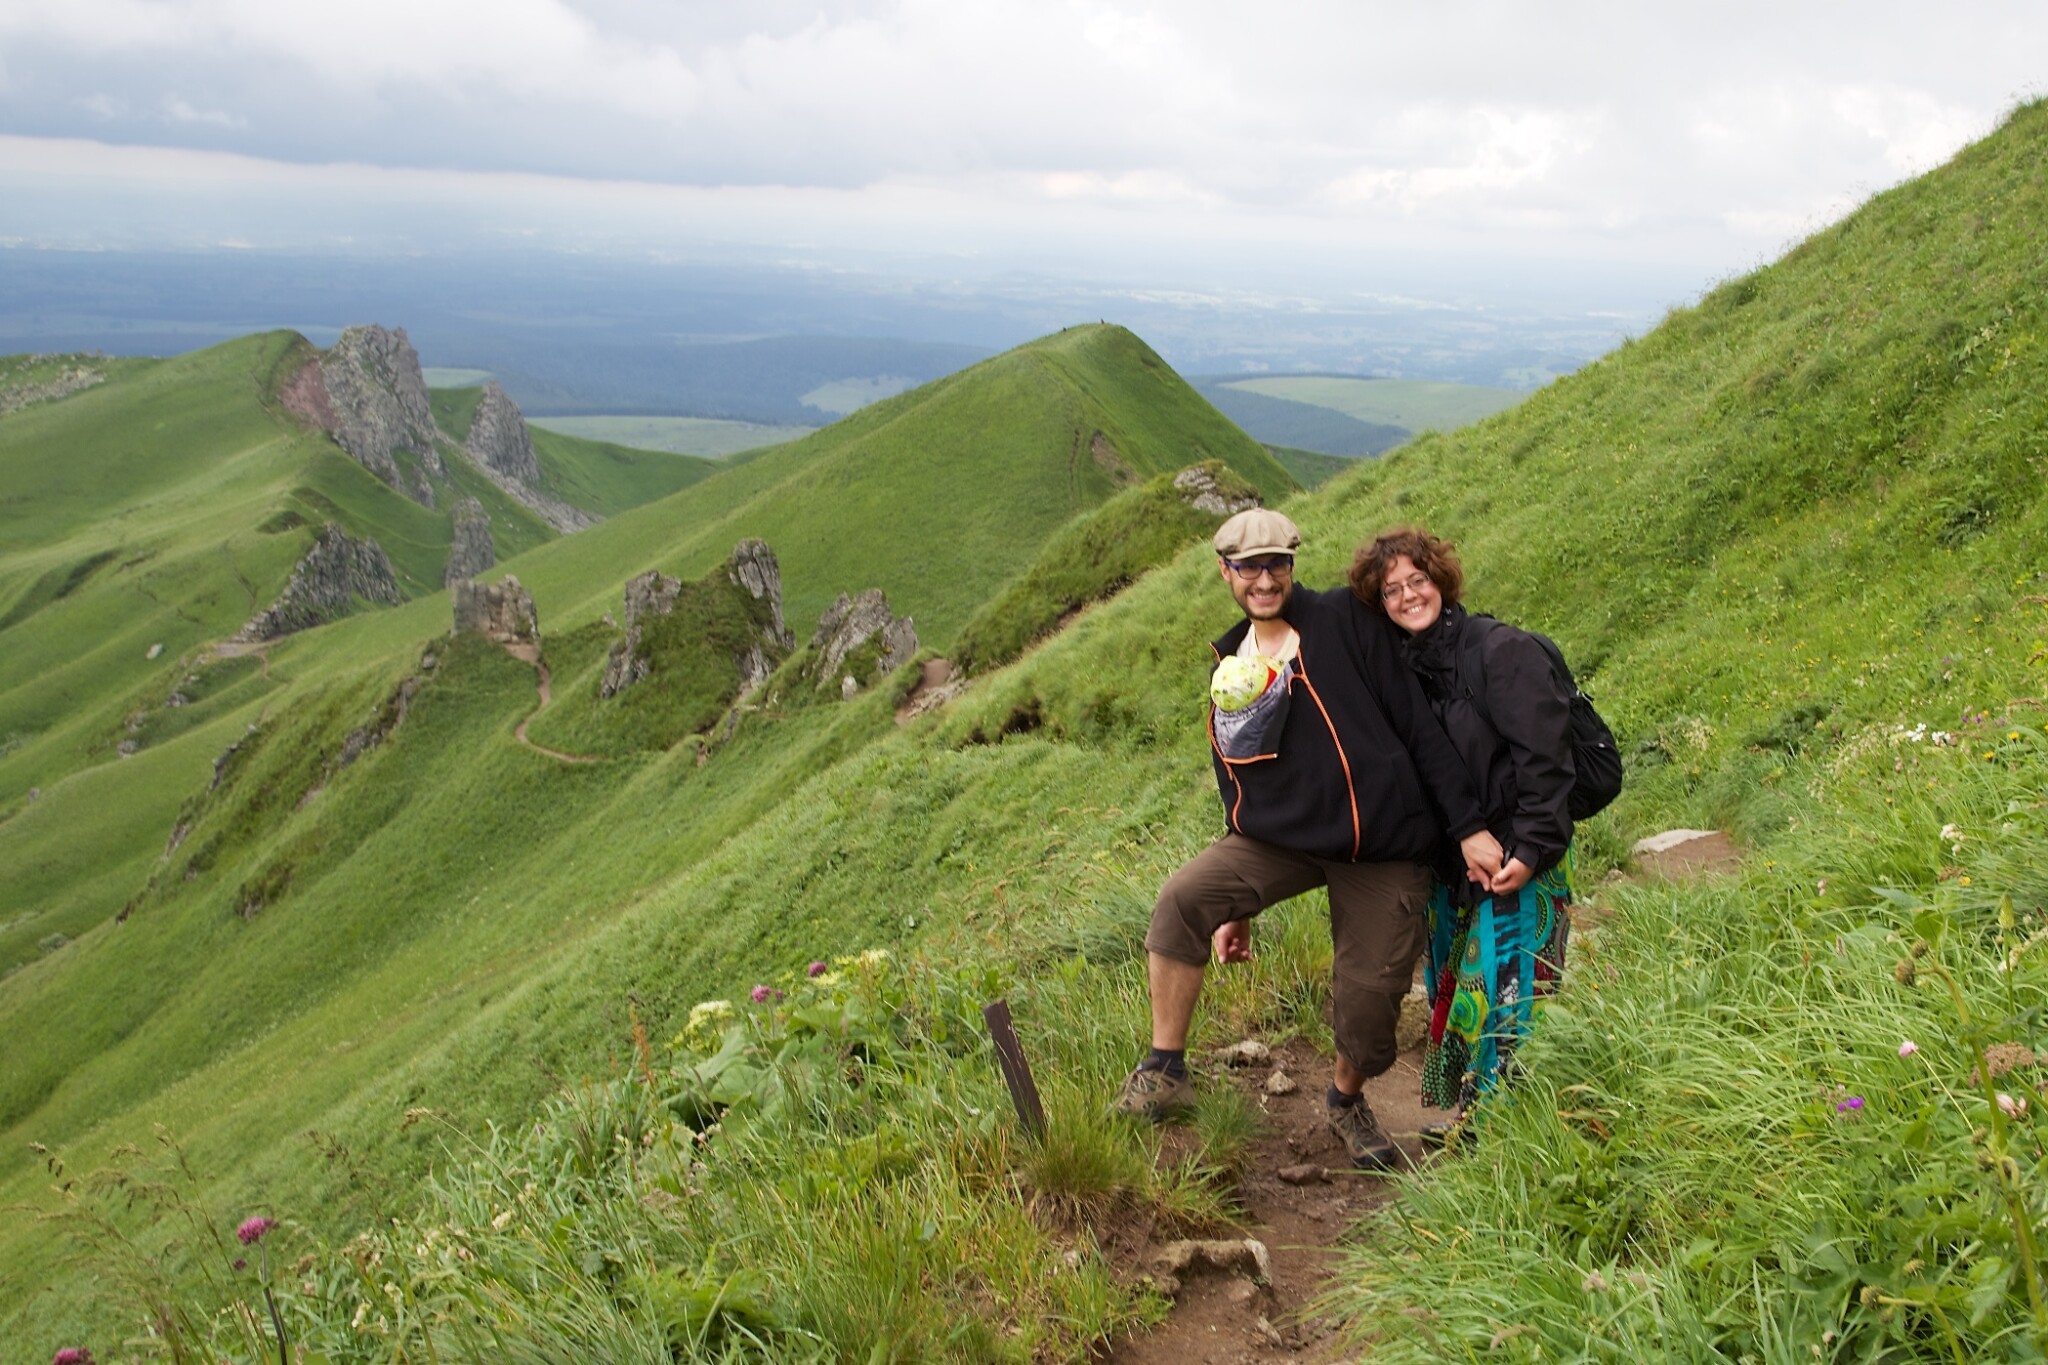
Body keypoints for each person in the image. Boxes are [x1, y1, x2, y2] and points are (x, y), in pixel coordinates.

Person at [1112, 508, 1505, 1171]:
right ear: (1225, 572)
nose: (1263, 579)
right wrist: (1240, 902)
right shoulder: (1229, 664)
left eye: (1276, 564)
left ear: (1292, 564)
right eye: (1248, 567)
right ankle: (1164, 1069)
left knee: (1370, 1000)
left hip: (1382, 843)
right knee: (1184, 898)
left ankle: (1345, 1099)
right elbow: (1238, 780)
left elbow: (1418, 727)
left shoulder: (1347, 623)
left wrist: (1468, 827)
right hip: (1280, 841)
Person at [1349, 526, 1574, 1144]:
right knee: (1462, 987)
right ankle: (1476, 1115)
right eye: (1391, 590)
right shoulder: (1404, 671)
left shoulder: (1500, 651)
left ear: (1441, 581)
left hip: (1522, 854)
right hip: (1456, 865)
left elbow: (1547, 762)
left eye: (1416, 581)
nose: (1407, 596)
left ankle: (1505, 1131)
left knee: (1513, 987)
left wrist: (1529, 850)